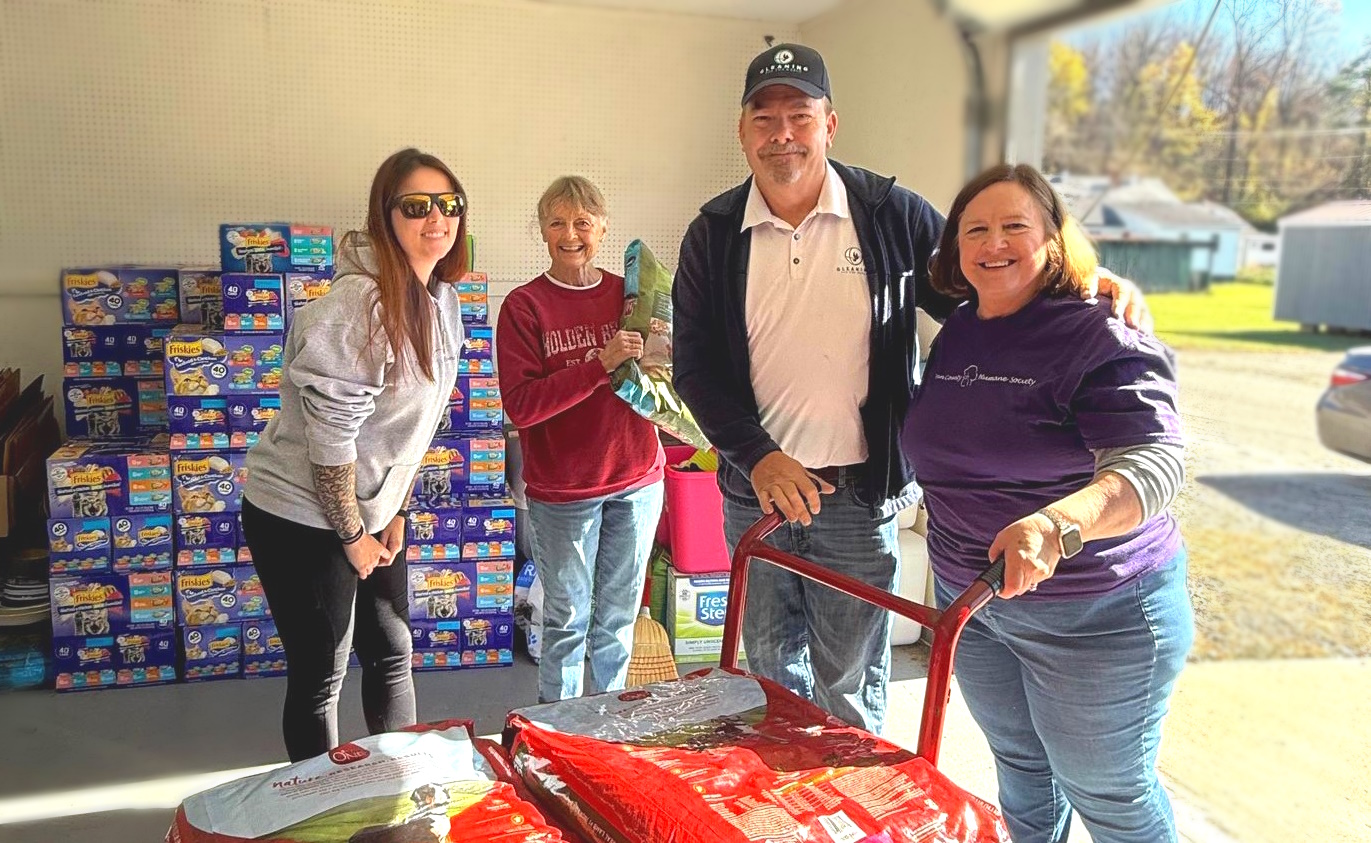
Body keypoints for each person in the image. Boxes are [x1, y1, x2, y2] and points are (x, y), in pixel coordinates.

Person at [673, 42, 1149, 734]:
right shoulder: (713, 234)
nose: (782, 134)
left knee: (849, 675)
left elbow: (986, 285)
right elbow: (694, 367)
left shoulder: (889, 212)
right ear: (742, 131)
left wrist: (1078, 286)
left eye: (799, 116)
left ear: (828, 124)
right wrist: (757, 455)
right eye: (764, 117)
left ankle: (851, 809)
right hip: (757, 493)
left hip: (857, 496)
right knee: (767, 667)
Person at [903, 163, 1192, 842]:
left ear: (1054, 242)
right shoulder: (964, 326)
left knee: (1109, 792)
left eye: (1014, 226)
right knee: (1022, 770)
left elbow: (1153, 461)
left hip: (1096, 616)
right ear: (953, 251)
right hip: (974, 601)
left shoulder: (1099, 332)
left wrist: (1056, 523)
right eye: (975, 228)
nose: (993, 241)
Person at [242, 147, 469, 761]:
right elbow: (332, 438)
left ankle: (399, 785)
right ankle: (327, 808)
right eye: (416, 206)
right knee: (323, 671)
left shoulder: (442, 300)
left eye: (449, 205)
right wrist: (351, 534)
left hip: (367, 508)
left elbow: (415, 430)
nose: (436, 220)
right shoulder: (359, 303)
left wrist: (393, 511)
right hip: (298, 512)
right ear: (384, 215)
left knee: (393, 649)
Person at [496, 175, 665, 703]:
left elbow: (662, 376)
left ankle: (608, 732)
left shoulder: (627, 295)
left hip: (638, 480)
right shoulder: (524, 307)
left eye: (583, 223)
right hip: (564, 493)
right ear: (542, 231)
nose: (571, 234)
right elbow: (522, 405)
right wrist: (600, 364)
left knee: (618, 619)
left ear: (603, 228)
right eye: (557, 223)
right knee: (567, 622)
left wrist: (665, 360)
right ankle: (560, 735)